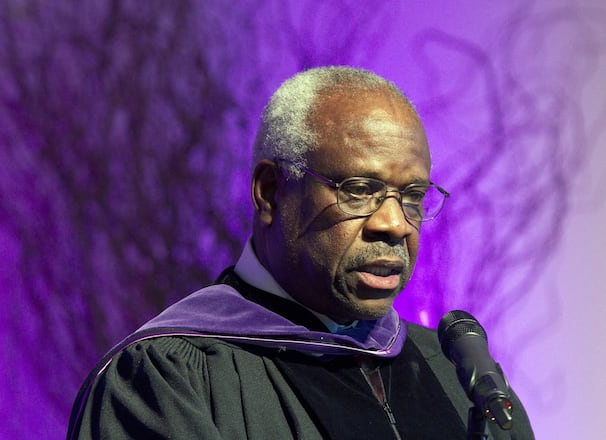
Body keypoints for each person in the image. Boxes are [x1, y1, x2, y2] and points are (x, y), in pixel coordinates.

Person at [66, 66, 534, 439]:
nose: (393, 223)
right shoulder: (166, 381)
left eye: (412, 195)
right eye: (359, 189)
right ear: (270, 192)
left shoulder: (458, 377)